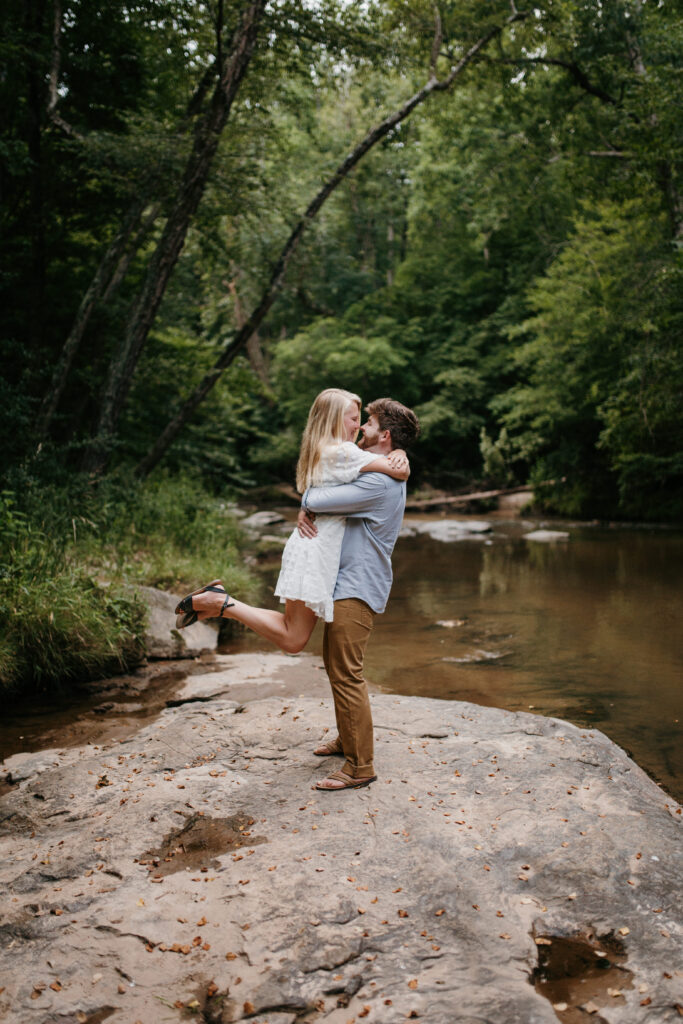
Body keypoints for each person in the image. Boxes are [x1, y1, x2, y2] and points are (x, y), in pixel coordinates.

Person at [175, 388, 409, 655]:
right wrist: (401, 453)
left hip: (313, 545)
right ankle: (219, 603)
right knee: (293, 638)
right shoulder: (344, 451)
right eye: (354, 418)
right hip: (316, 548)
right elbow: (397, 470)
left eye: (362, 420)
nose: (359, 426)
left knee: (292, 633)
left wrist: (398, 447)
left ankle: (218, 605)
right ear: (334, 419)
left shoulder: (329, 448)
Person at [297, 397, 420, 791]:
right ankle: (346, 739)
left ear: (383, 435)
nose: (359, 429)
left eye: (366, 424)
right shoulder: (383, 470)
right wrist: (398, 454)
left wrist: (305, 503)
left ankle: (360, 767)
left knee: (348, 672)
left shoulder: (378, 482)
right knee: (335, 666)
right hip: (347, 583)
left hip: (358, 587)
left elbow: (316, 498)